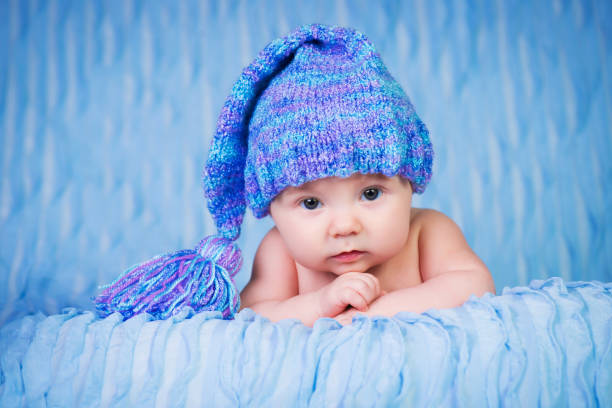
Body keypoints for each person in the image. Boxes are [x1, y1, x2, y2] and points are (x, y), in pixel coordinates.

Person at [203, 24, 496, 326]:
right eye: (311, 203)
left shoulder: (427, 232)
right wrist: (320, 304)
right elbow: (252, 317)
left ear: (410, 183)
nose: (344, 227)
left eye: (370, 193)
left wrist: (371, 313)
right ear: (272, 209)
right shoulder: (281, 252)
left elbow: (474, 285)